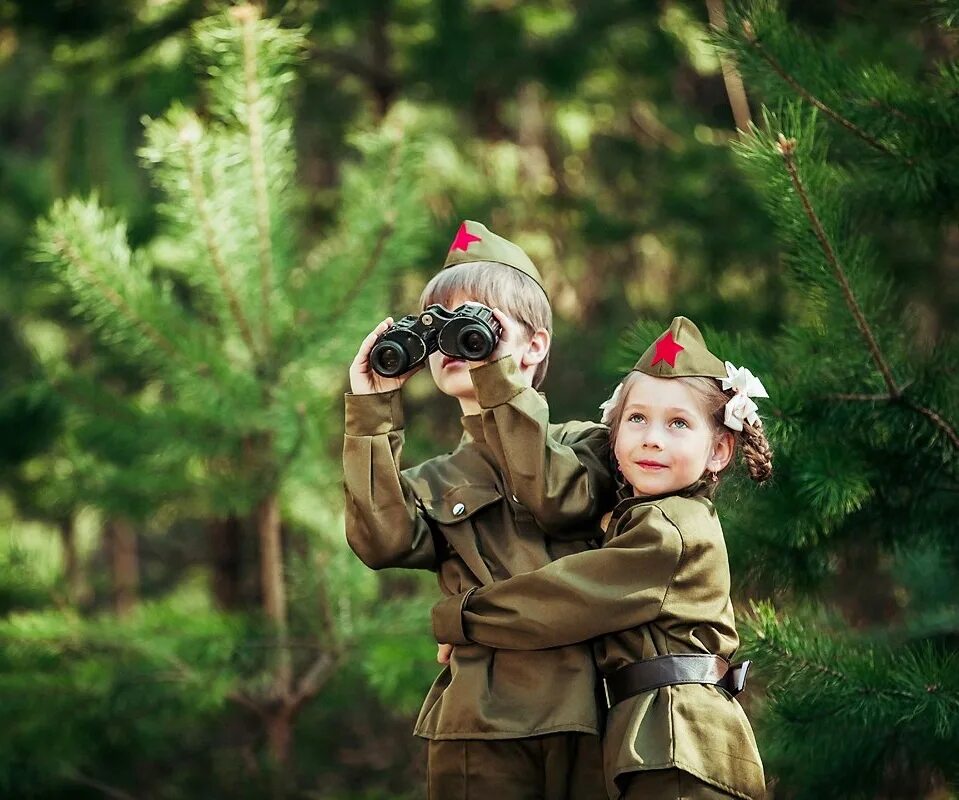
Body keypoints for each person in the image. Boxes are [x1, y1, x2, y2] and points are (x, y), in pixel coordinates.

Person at [432, 316, 770, 800]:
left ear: (718, 451)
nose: (653, 437)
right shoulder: (643, 517)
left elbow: (564, 597)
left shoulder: (669, 529)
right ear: (612, 437)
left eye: (678, 423)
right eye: (637, 419)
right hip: (656, 739)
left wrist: (461, 619)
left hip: (681, 743)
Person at [343, 220, 616, 799]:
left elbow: (553, 493)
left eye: (473, 323)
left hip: (593, 710)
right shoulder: (437, 479)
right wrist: (372, 409)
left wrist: (496, 373)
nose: (452, 341)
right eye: (436, 327)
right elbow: (381, 542)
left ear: (535, 344)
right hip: (480, 722)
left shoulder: (590, 444)